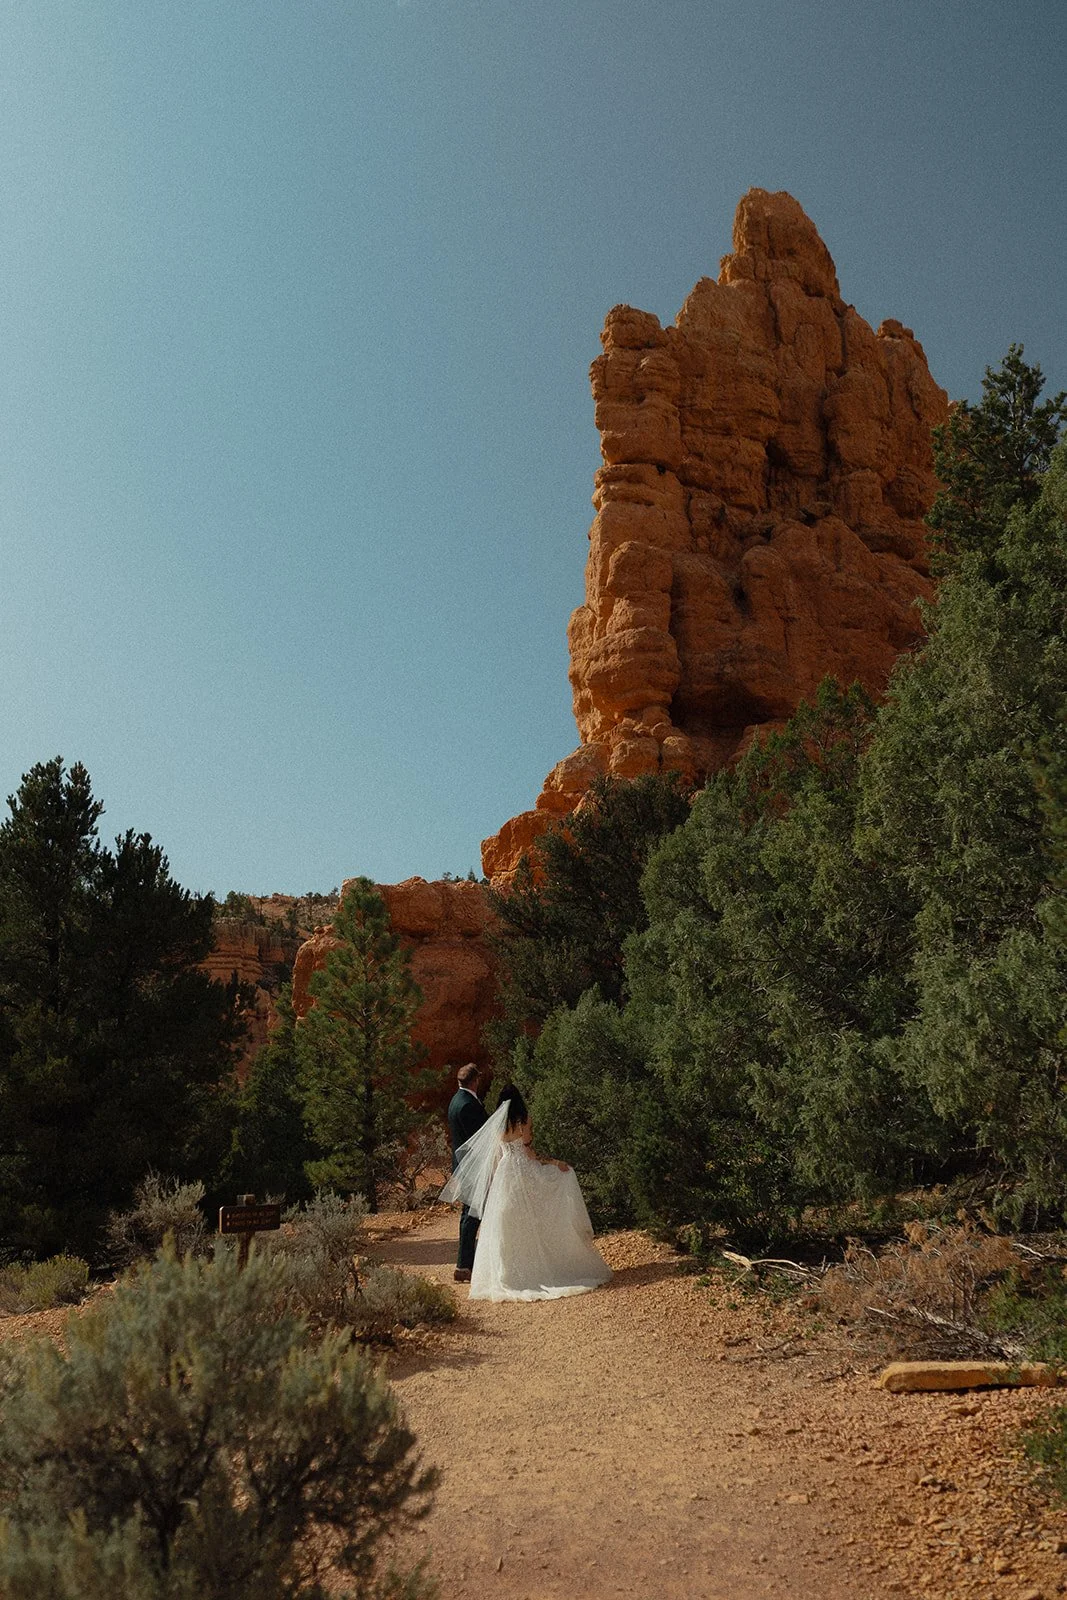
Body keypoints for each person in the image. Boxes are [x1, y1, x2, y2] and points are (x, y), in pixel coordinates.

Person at [440, 1084, 611, 1302]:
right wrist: (555, 1163)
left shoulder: (497, 1123)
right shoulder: (524, 1120)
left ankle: (506, 1273)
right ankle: (537, 1266)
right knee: (533, 1216)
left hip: (504, 1173)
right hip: (522, 1170)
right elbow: (530, 1153)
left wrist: (493, 1180)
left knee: (504, 1221)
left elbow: (496, 1156)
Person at [447, 1063, 488, 1283]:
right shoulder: (469, 1105)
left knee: (469, 1214)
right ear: (475, 1081)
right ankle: (464, 1266)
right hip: (473, 1167)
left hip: (462, 1165)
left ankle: (465, 1265)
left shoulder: (456, 1100)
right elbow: (481, 1137)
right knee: (472, 1216)